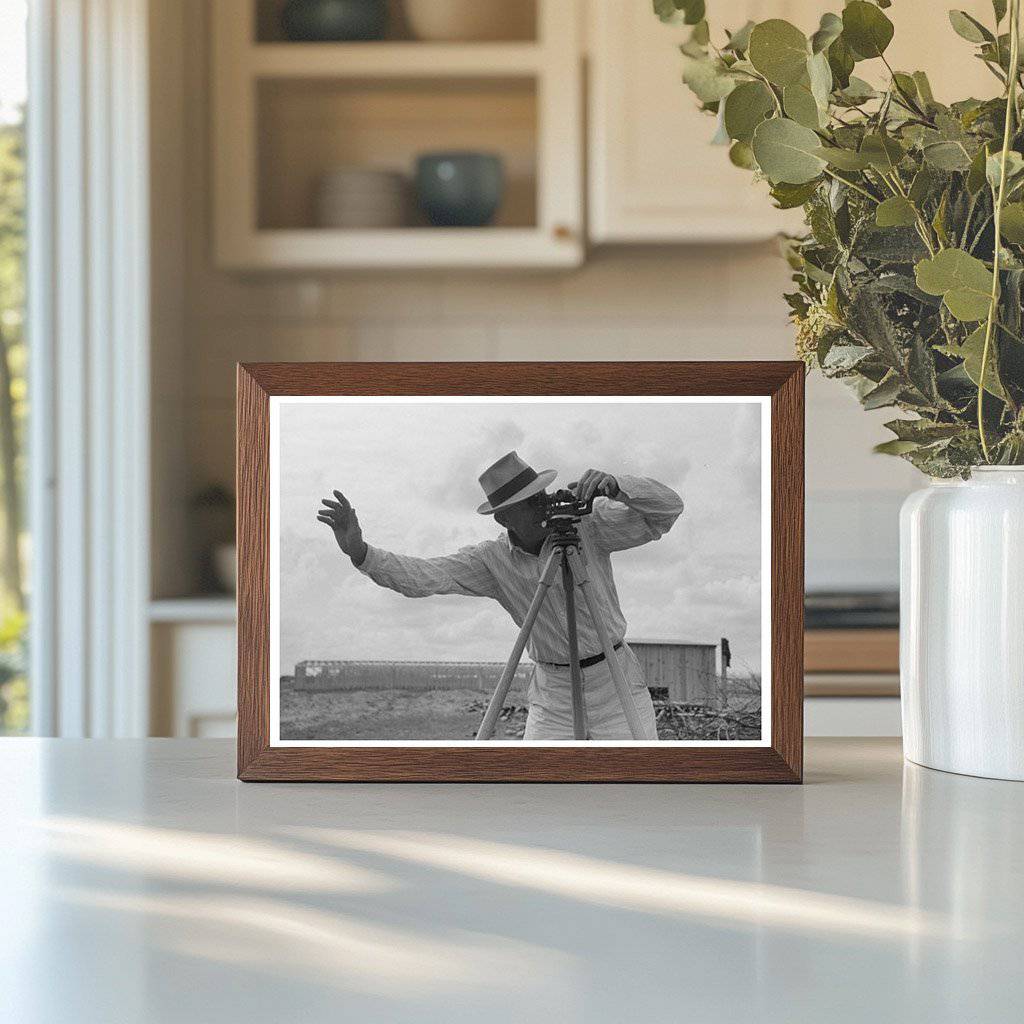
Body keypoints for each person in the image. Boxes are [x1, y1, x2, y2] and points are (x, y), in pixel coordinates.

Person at [317, 451, 684, 740]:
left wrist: (620, 487)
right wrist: (361, 552)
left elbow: (667, 510)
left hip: (614, 682)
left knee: (630, 782)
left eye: (540, 494)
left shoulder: (588, 525)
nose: (543, 504)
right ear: (503, 519)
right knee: (539, 792)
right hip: (553, 692)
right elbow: (427, 576)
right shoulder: (492, 561)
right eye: (529, 501)